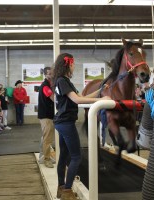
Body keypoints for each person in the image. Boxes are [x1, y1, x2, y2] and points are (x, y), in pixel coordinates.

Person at [53, 53, 110, 200]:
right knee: (76, 157)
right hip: (66, 123)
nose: (74, 66)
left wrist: (100, 90)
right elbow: (77, 100)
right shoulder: (62, 81)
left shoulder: (63, 81)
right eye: (73, 64)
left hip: (62, 122)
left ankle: (61, 188)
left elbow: (82, 98)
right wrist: (102, 99)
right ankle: (67, 191)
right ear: (68, 65)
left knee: (64, 155)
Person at [38, 66, 55, 168]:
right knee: (47, 139)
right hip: (46, 116)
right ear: (45, 75)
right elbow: (53, 99)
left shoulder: (50, 84)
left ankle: (43, 156)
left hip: (49, 115)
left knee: (45, 137)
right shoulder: (45, 86)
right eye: (49, 74)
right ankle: (46, 159)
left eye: (52, 73)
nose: (51, 75)